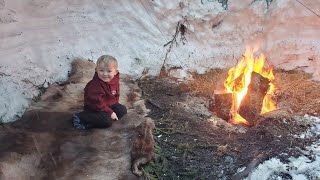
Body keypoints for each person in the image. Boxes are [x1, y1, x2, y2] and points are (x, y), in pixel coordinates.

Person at [73, 55, 127, 129]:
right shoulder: (95, 85)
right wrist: (110, 112)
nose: (105, 74)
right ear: (96, 70)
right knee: (106, 121)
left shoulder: (115, 81)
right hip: (95, 108)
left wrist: (113, 108)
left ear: (115, 72)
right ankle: (81, 116)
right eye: (101, 70)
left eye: (109, 71)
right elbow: (97, 103)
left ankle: (103, 117)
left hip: (107, 105)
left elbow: (115, 95)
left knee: (122, 110)